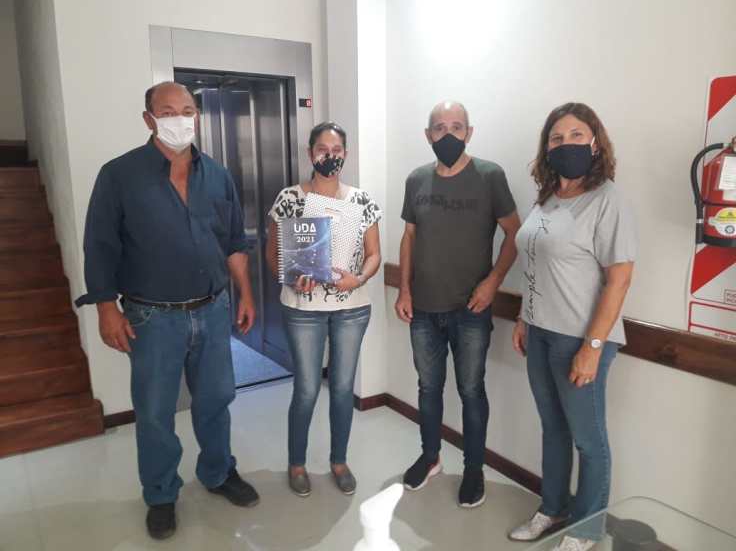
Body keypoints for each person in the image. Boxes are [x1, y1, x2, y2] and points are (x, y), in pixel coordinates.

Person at [75, 82, 259, 540]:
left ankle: (218, 472)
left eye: (188, 110)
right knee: (156, 412)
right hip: (152, 317)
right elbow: (100, 246)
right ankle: (160, 494)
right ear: (149, 119)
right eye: (168, 111)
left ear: (197, 115)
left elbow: (234, 242)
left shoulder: (217, 175)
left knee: (216, 400)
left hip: (212, 309)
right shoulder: (119, 175)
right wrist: (106, 309)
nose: (180, 119)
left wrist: (246, 294)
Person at [508, 103, 636, 551]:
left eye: (577, 135)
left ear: (595, 142)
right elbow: (536, 264)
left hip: (580, 339)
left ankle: (586, 529)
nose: (566, 144)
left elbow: (619, 278)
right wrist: (524, 317)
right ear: (547, 148)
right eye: (557, 138)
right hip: (539, 332)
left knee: (588, 439)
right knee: (553, 428)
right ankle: (553, 508)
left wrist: (592, 347)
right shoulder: (546, 198)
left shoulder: (607, 200)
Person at [395, 101, 521, 508]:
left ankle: (473, 469)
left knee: (470, 390)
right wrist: (404, 290)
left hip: (471, 310)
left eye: (456, 127)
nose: (447, 134)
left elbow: (514, 233)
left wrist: (493, 282)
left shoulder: (489, 176)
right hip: (423, 309)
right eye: (439, 128)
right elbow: (409, 236)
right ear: (427, 135)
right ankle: (430, 457)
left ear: (470, 132)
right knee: (428, 387)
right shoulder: (416, 180)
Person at [266, 121, 382, 498]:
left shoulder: (361, 200)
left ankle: (339, 461)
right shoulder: (290, 198)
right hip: (302, 308)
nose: (329, 156)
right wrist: (290, 277)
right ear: (310, 153)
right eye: (322, 149)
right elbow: (273, 254)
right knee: (306, 389)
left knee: (343, 388)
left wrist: (358, 279)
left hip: (352, 309)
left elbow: (375, 254)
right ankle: (297, 463)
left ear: (345, 154)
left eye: (336, 150)